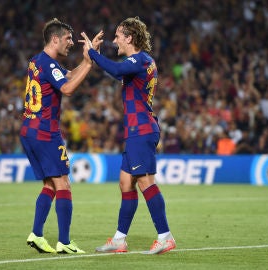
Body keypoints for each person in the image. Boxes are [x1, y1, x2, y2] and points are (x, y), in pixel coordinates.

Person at [81, 17, 176, 254]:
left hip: (141, 130)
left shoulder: (140, 59)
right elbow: (116, 72)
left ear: (129, 38)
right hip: (136, 130)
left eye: (117, 36)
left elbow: (115, 68)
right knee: (126, 183)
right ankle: (119, 240)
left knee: (145, 182)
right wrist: (96, 56)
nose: (114, 41)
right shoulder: (139, 63)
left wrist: (93, 54)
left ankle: (165, 237)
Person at [20, 18, 97, 254]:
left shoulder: (38, 61)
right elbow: (68, 88)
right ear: (55, 39)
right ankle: (64, 241)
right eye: (67, 38)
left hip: (28, 130)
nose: (71, 43)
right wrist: (90, 63)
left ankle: (37, 234)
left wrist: (86, 61)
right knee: (64, 184)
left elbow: (68, 76)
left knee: (50, 185)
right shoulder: (49, 64)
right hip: (45, 132)